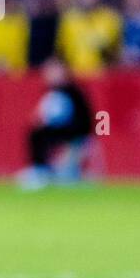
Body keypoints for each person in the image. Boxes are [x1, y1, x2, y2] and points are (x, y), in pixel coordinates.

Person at [18, 58, 94, 189]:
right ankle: (39, 169)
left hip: (75, 131)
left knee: (39, 133)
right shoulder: (51, 91)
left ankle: (45, 171)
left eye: (53, 71)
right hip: (60, 131)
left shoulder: (74, 91)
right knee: (36, 133)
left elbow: (85, 118)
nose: (49, 75)